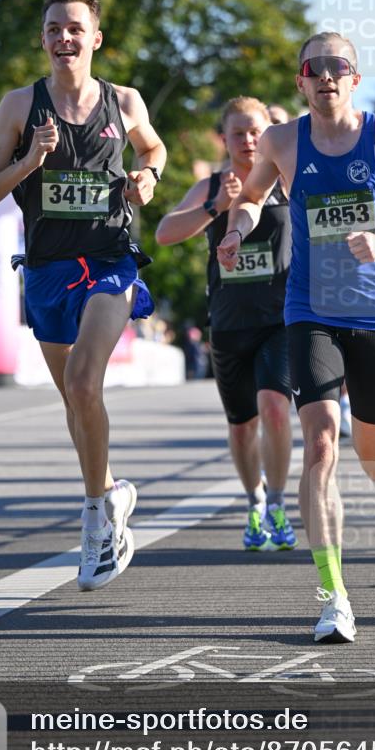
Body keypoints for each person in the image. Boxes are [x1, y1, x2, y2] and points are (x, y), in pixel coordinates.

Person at [218, 32, 375, 642]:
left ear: (355, 78)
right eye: (313, 67)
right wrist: (237, 229)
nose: (325, 76)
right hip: (309, 311)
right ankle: (333, 596)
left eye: (337, 66)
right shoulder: (281, 140)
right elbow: (253, 197)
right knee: (320, 446)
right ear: (300, 81)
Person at [0, 0, 166, 591]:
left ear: (95, 39)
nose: (64, 38)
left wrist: (149, 177)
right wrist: (30, 161)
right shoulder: (18, 106)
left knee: (83, 383)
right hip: (47, 270)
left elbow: (153, 146)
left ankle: (96, 519)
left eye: (75, 28)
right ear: (44, 40)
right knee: (75, 403)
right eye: (54, 29)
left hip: (109, 261)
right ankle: (111, 493)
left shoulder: (124, 101)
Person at [156, 97, 296, 552]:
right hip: (229, 323)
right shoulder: (213, 186)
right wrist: (215, 207)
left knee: (274, 408)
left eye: (256, 131)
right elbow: (164, 232)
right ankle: (254, 502)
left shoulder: (287, 181)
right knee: (241, 427)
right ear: (224, 139)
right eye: (238, 133)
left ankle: (278, 504)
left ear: (269, 133)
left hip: (279, 320)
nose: (249, 140)